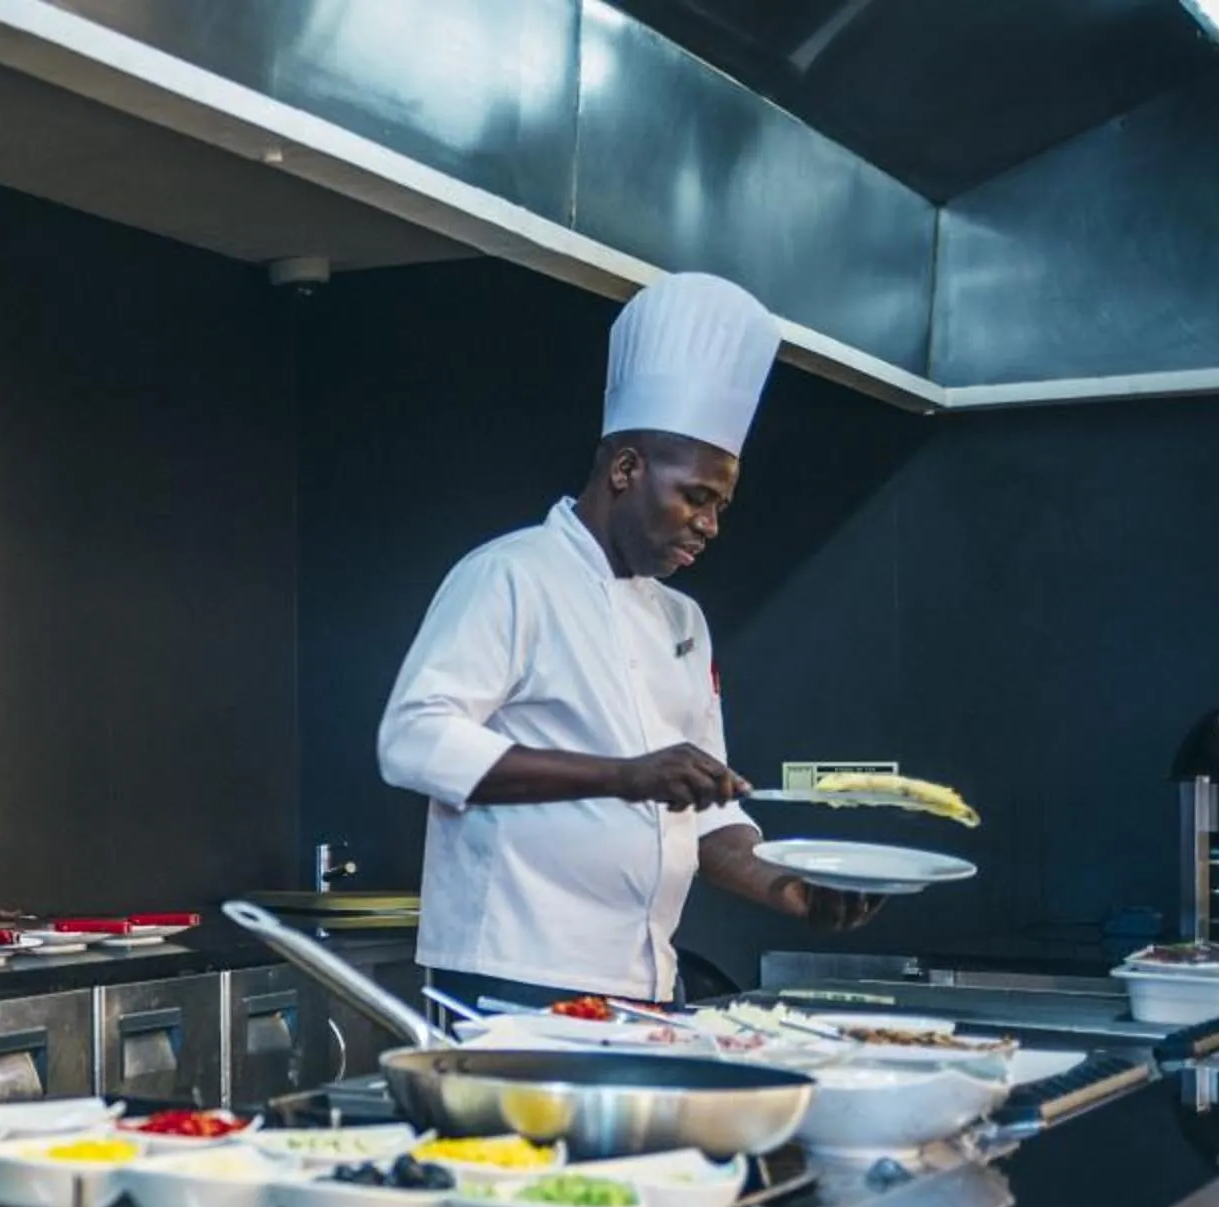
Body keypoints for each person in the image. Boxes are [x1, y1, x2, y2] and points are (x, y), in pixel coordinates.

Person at [376, 272, 879, 1009]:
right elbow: (413, 743)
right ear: (625, 469)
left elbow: (706, 812)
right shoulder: (510, 576)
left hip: (647, 980)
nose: (711, 525)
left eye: (721, 505)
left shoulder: (683, 621)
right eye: (696, 497)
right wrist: (624, 776)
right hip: (516, 977)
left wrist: (793, 890)